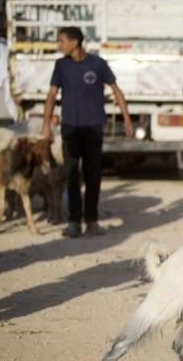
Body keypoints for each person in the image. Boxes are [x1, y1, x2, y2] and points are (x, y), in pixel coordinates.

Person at [41, 27, 133, 238]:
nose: (59, 45)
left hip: (93, 128)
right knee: (72, 174)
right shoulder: (61, 65)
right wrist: (46, 123)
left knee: (93, 175)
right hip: (71, 129)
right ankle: (74, 222)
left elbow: (116, 90)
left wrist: (127, 119)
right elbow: (52, 95)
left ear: (75, 42)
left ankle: (92, 221)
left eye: (62, 41)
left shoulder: (97, 64)